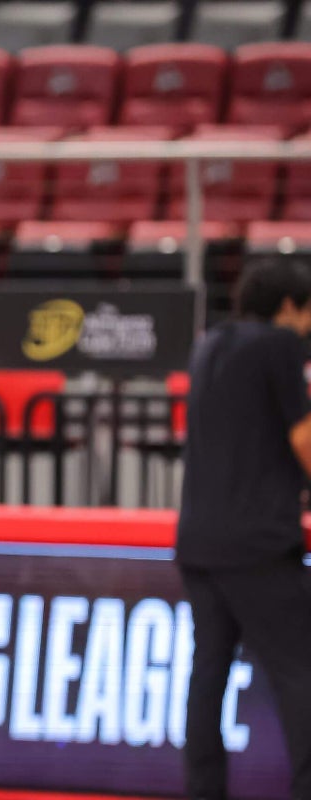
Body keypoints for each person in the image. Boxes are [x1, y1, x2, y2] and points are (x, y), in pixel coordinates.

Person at [176, 257, 311, 800]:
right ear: (289, 306)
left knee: (208, 676)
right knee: (301, 671)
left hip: (197, 541)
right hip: (257, 544)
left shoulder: (208, 345)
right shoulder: (280, 344)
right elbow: (303, 438)